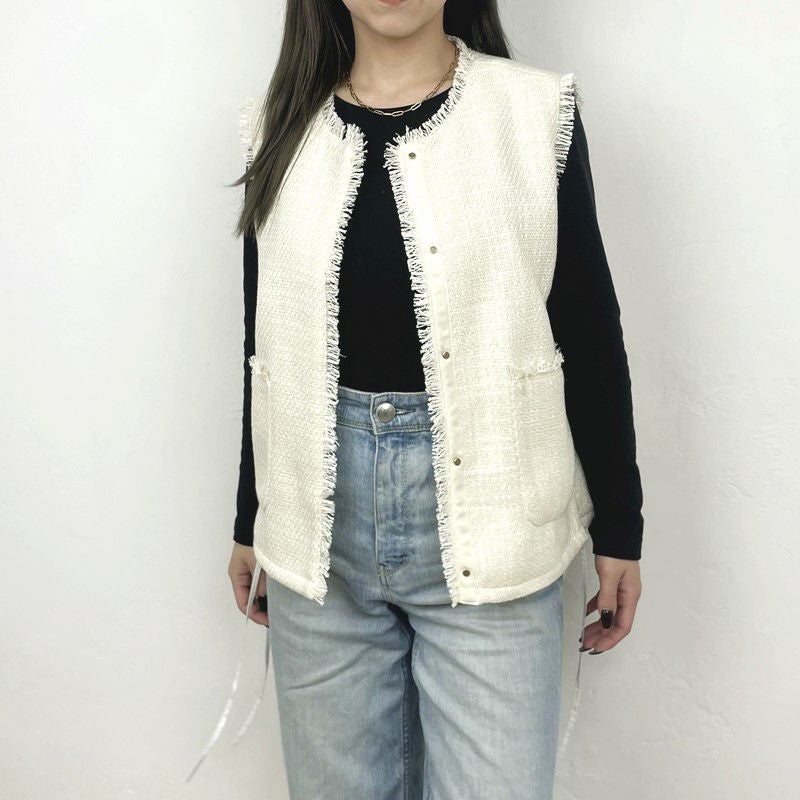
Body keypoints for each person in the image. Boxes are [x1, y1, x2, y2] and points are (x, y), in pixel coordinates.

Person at [196, 2, 645, 797]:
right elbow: (266, 346)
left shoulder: (532, 114)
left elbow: (587, 326)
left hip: (498, 521)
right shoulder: (279, 127)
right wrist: (250, 518)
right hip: (316, 543)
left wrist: (620, 524)